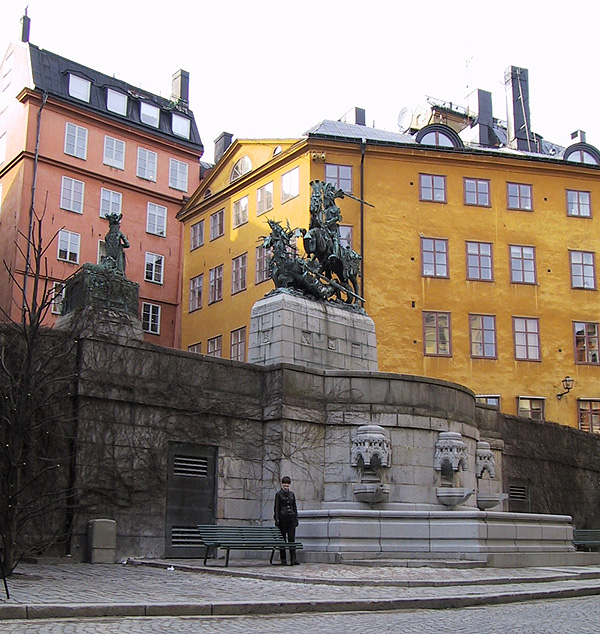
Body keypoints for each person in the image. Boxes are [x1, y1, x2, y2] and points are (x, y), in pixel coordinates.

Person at [273, 476, 299, 565]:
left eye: (287, 484)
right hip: (282, 519)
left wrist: (296, 519)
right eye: (284, 483)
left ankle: (293, 558)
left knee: (292, 539)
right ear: (282, 484)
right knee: (282, 539)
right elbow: (276, 507)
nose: (286, 485)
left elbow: (294, 507)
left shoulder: (292, 494)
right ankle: (283, 559)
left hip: (291, 518)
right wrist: (277, 519)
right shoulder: (278, 494)